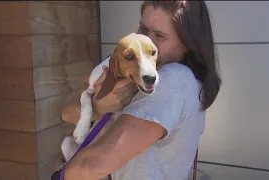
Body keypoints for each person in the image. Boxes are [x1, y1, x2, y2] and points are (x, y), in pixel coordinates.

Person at [62, 1, 221, 180]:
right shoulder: (131, 58)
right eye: (143, 29)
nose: (146, 42)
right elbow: (66, 112)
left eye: (160, 36)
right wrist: (99, 106)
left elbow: (92, 165)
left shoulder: (173, 79)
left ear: (187, 44)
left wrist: (60, 176)